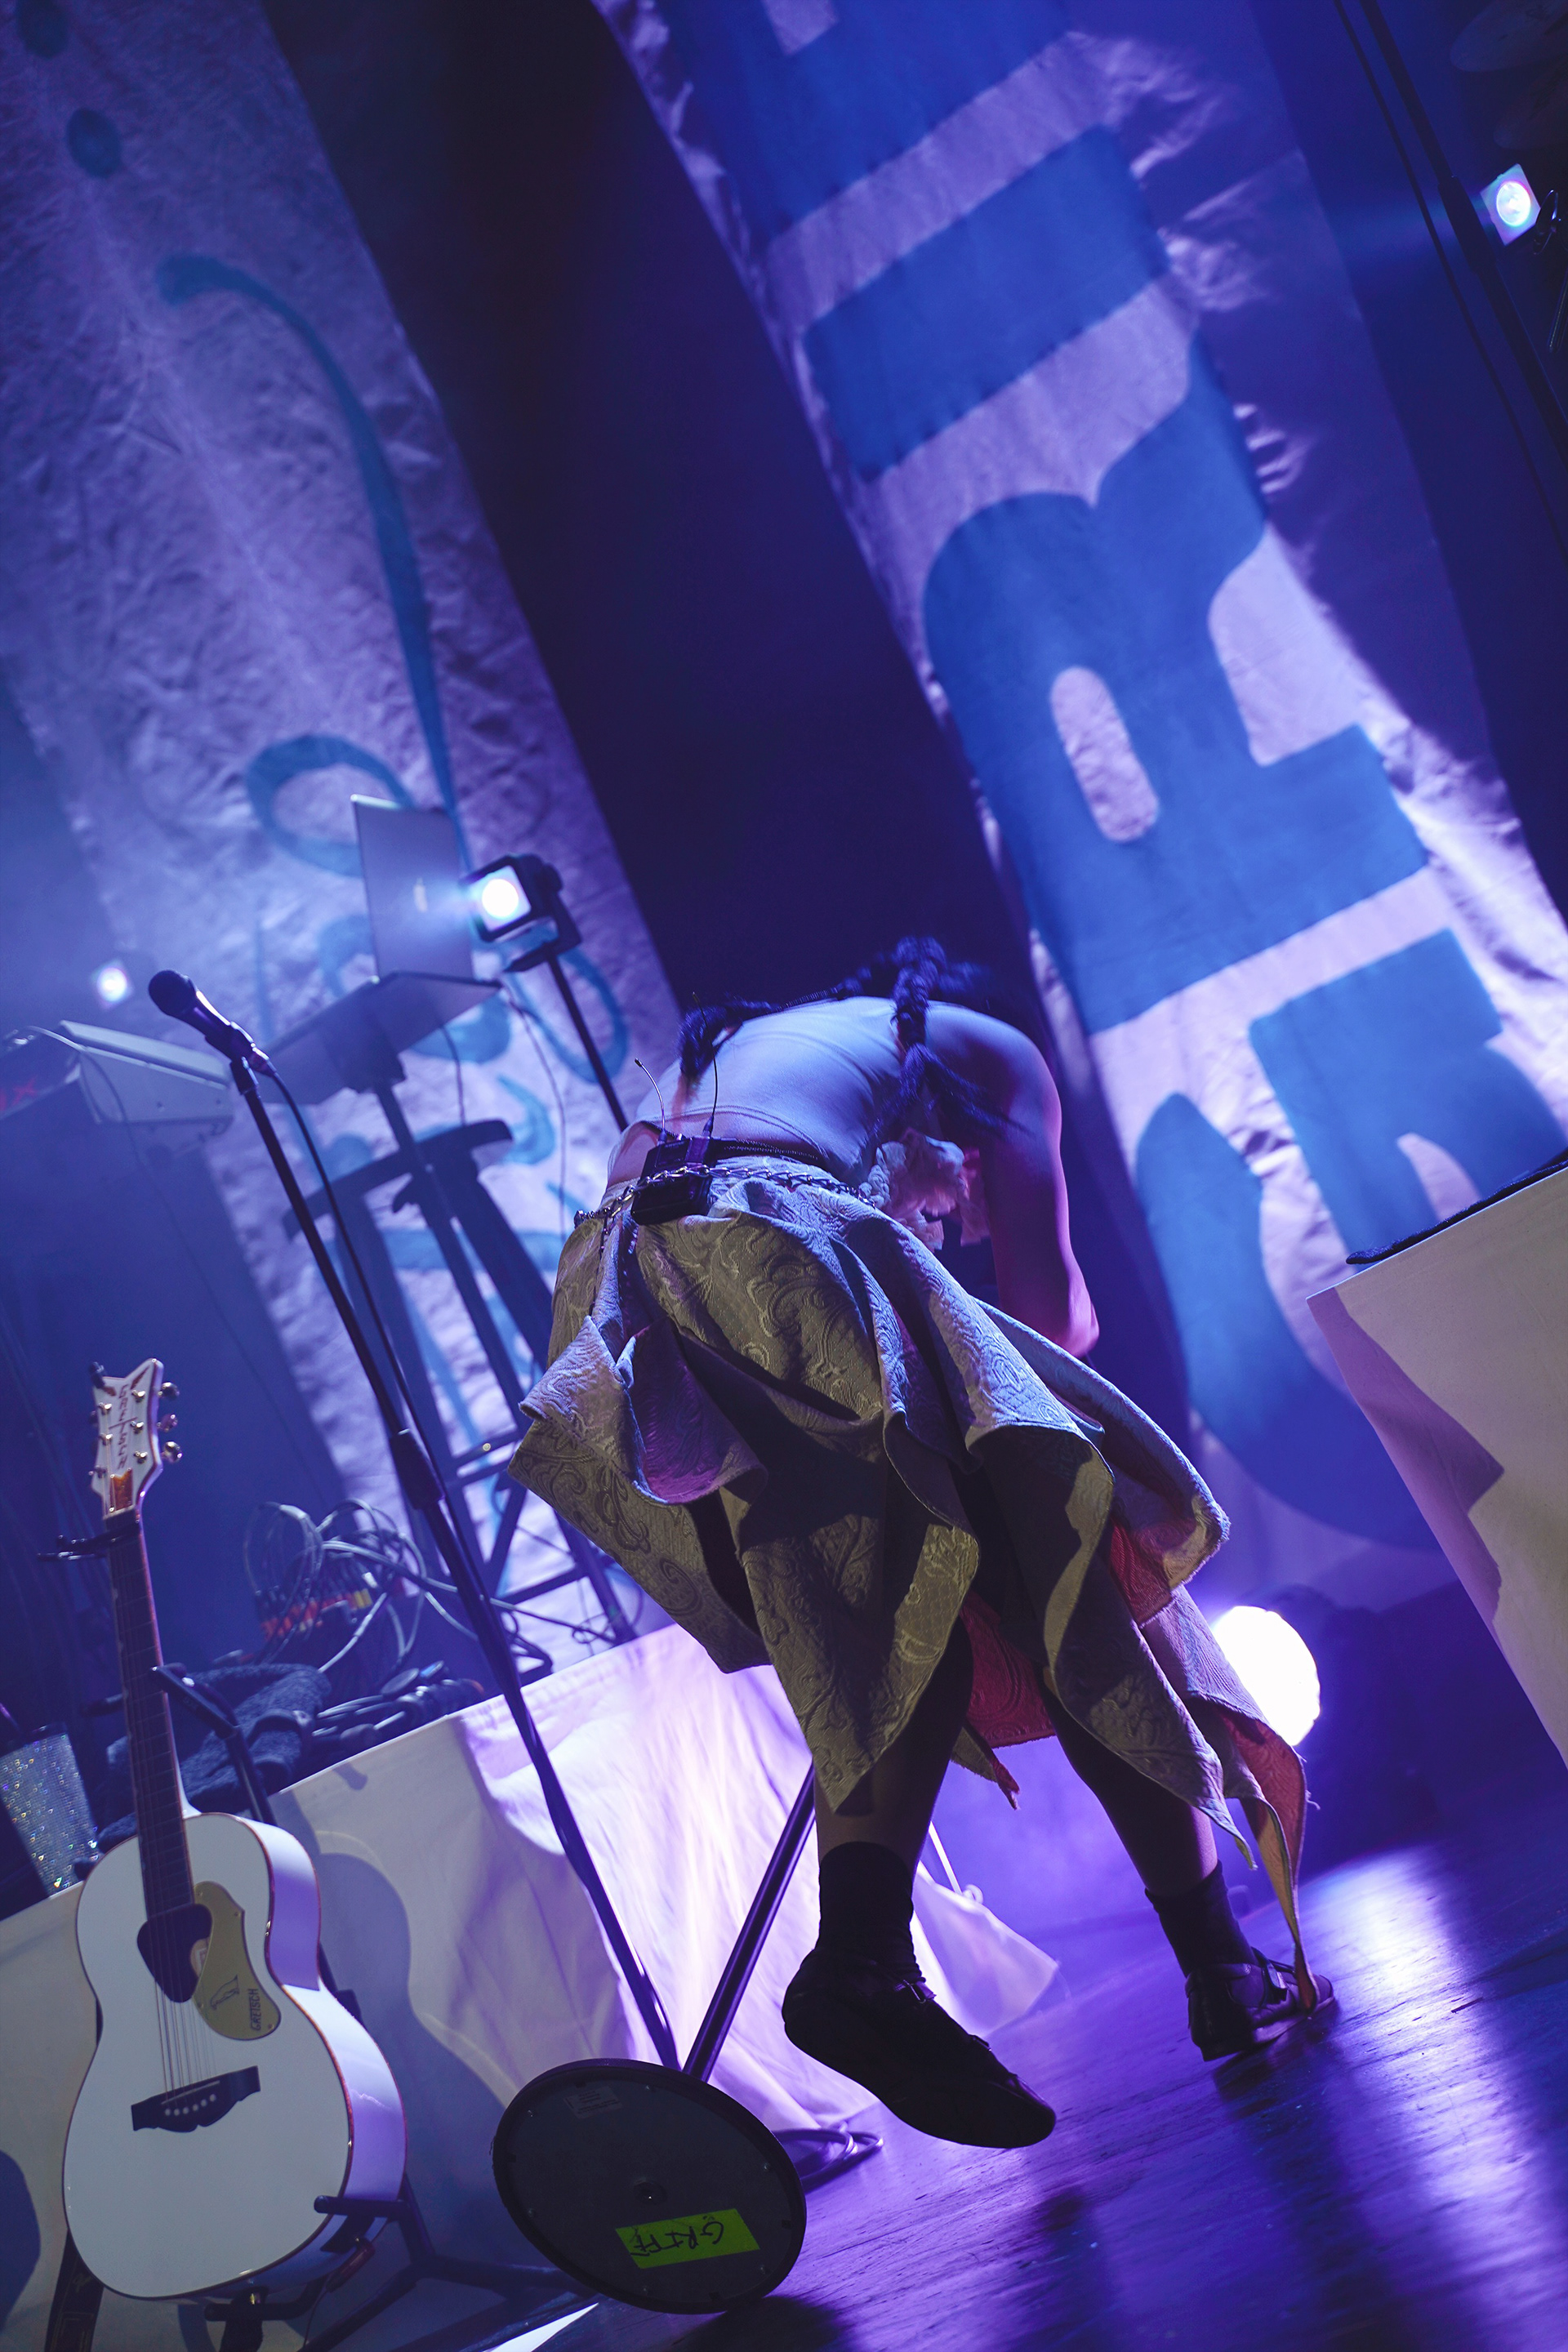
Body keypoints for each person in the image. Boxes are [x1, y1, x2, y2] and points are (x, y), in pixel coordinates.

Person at [509, 939, 1329, 2149]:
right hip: (769, 1236)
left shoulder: (726, 1056)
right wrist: (975, 1233)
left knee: (948, 1594)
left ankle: (952, 1962)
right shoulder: (987, 1048)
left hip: (622, 1289)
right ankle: (908, 1962)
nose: (954, 1216)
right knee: (1058, 1568)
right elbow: (1055, 1317)